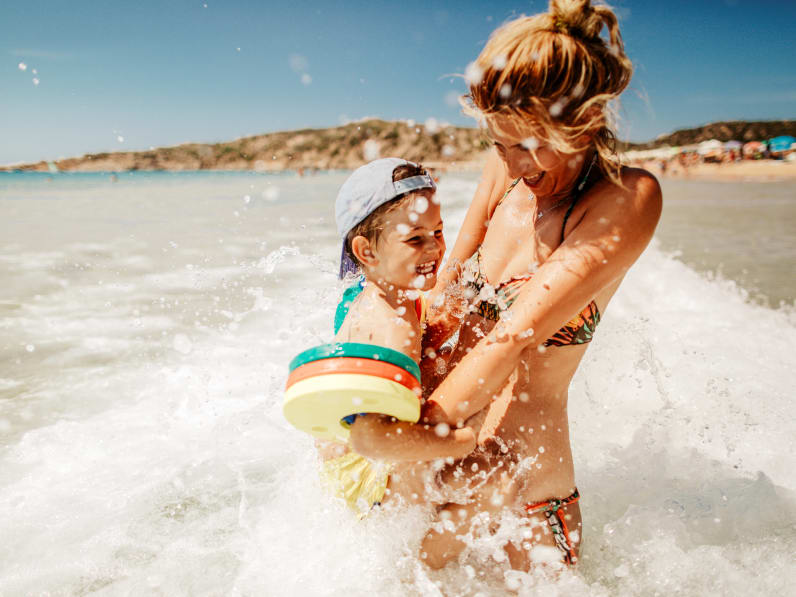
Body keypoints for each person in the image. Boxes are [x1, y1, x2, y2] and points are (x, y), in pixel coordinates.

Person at [392, 0, 662, 570]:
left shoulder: (625, 199)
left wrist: (411, 435)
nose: (514, 166)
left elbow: (511, 337)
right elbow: (446, 290)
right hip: (442, 453)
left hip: (524, 493)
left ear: (584, 122)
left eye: (530, 146)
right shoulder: (508, 168)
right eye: (500, 144)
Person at [317, 157, 477, 515]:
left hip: (339, 463)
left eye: (438, 231)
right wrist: (457, 443)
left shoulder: (369, 294)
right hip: (365, 475)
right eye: (415, 239)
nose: (435, 249)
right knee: (493, 477)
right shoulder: (394, 326)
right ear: (366, 251)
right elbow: (377, 438)